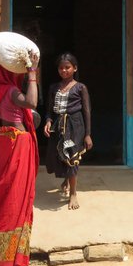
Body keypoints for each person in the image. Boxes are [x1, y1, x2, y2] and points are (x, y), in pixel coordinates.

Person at [0, 52, 40, 266]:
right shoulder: (11, 91)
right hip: (18, 145)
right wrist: (32, 74)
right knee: (16, 200)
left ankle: (5, 261)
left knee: (6, 198)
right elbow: (33, 102)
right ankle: (9, 263)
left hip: (8, 143)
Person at [43, 53, 92, 210]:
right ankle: (66, 180)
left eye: (67, 67)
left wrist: (88, 134)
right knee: (59, 155)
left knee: (72, 156)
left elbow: (87, 111)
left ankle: (73, 194)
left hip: (75, 126)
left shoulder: (80, 87)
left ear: (74, 68)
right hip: (59, 125)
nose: (64, 70)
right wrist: (48, 121)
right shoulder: (54, 87)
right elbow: (49, 108)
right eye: (61, 68)